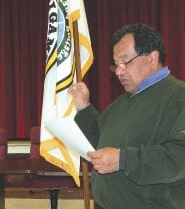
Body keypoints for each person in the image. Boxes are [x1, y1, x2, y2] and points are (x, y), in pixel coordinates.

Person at [69, 23, 185, 209]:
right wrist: (84, 109)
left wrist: (123, 159)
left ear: (152, 58)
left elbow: (179, 157)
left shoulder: (179, 97)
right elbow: (99, 142)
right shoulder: (122, 103)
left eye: (125, 62)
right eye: (116, 65)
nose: (119, 72)